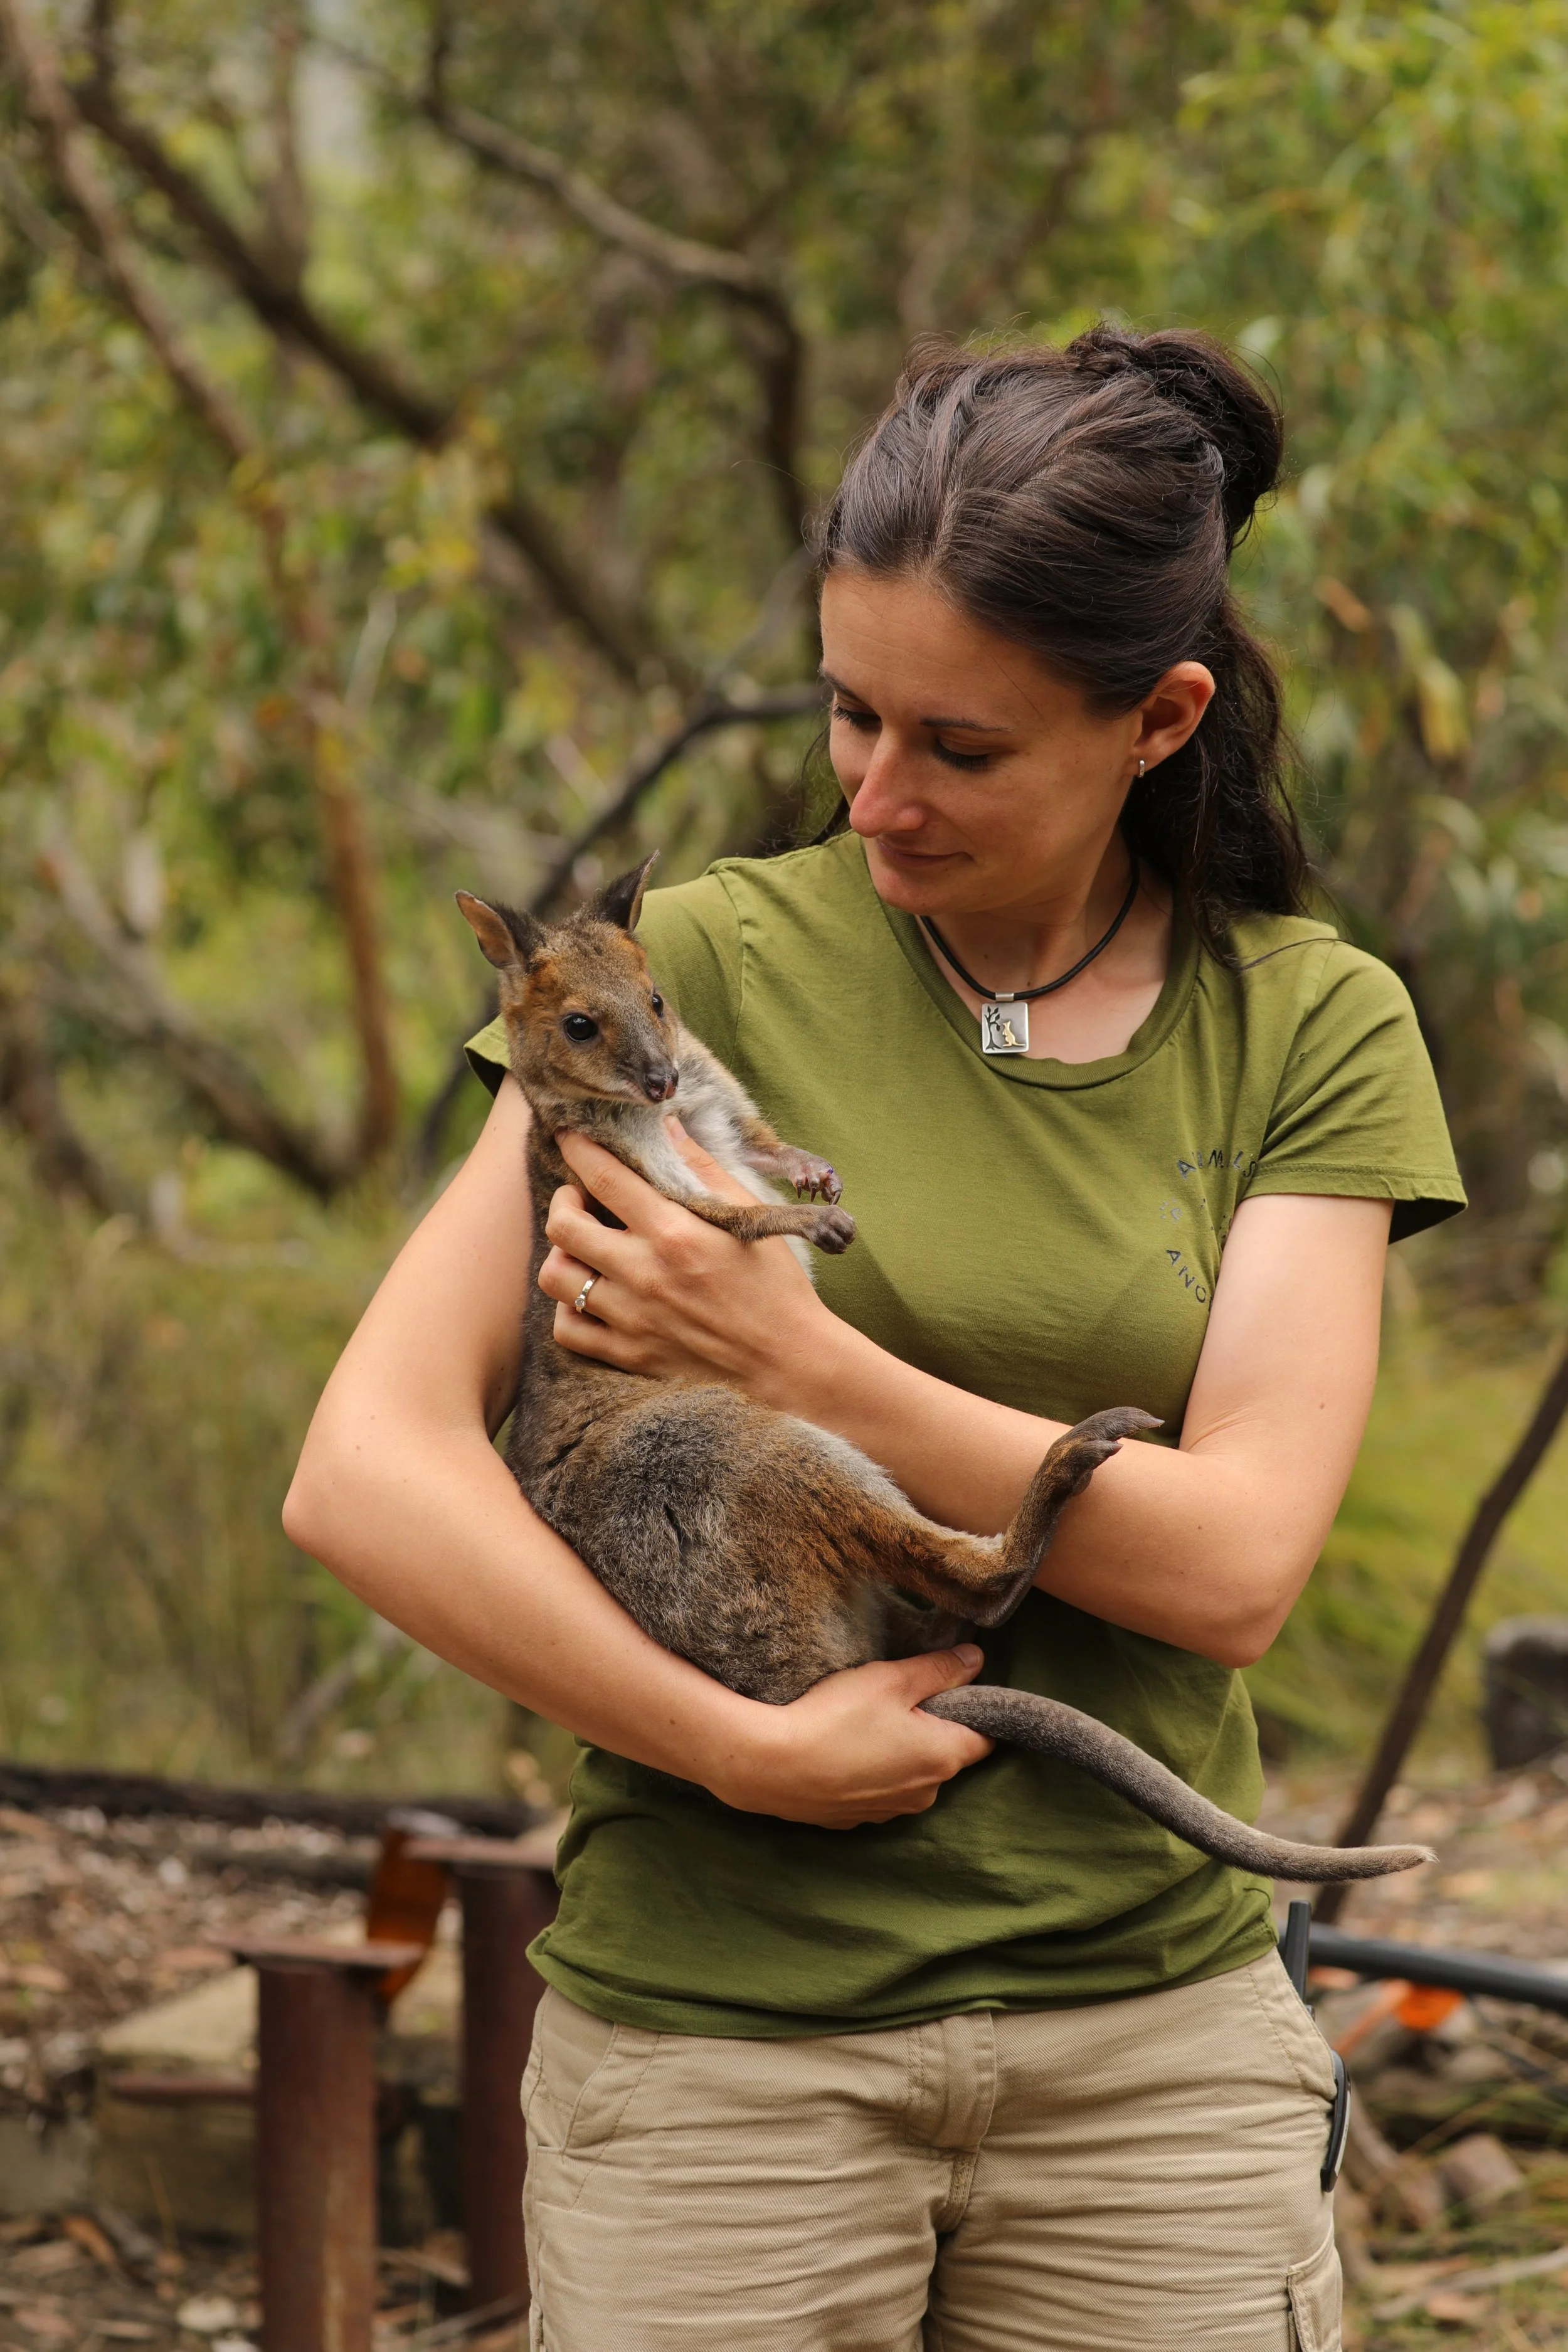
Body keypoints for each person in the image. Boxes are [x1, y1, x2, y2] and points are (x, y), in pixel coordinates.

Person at [284, 328, 1465, 2352]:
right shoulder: (695, 963)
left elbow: (1231, 1563)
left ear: (1158, 717)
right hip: (724, 2047)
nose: (878, 794)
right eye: (850, 715)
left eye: (964, 748)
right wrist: (747, 1749)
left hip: (1148, 2068)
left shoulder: (1304, 1017)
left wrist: (797, 1352)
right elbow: (367, 1470)